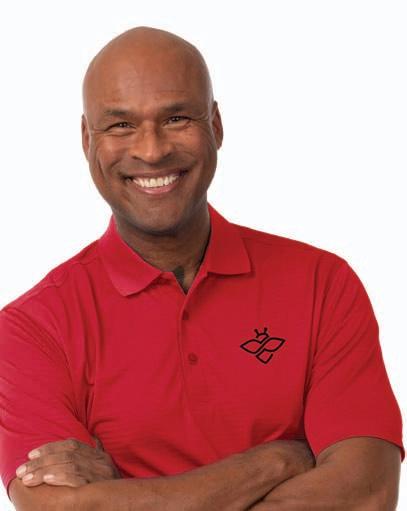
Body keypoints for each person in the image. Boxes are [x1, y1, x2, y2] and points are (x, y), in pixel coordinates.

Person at [0, 26, 404, 511]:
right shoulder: (30, 329)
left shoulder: (322, 284)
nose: (152, 150)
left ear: (216, 125)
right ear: (88, 140)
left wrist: (125, 494)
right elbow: (60, 509)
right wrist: (276, 461)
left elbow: (367, 493)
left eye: (176, 118)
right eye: (121, 125)